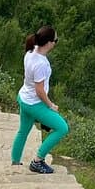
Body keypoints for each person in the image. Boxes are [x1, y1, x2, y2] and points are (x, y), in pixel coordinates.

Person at [11, 25, 69, 174]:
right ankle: (38, 161)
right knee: (62, 128)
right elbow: (39, 90)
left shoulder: (30, 52)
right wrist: (50, 105)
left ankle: (15, 162)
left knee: (23, 131)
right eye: (55, 40)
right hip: (34, 103)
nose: (55, 43)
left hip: (24, 98)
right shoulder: (41, 63)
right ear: (49, 43)